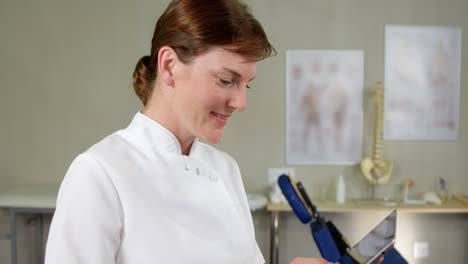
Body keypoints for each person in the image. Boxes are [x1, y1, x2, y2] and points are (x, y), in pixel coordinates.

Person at [45, 0, 378, 264]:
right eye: (226, 80)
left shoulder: (224, 169)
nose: (241, 102)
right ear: (169, 66)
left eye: (247, 84)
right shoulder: (100, 174)